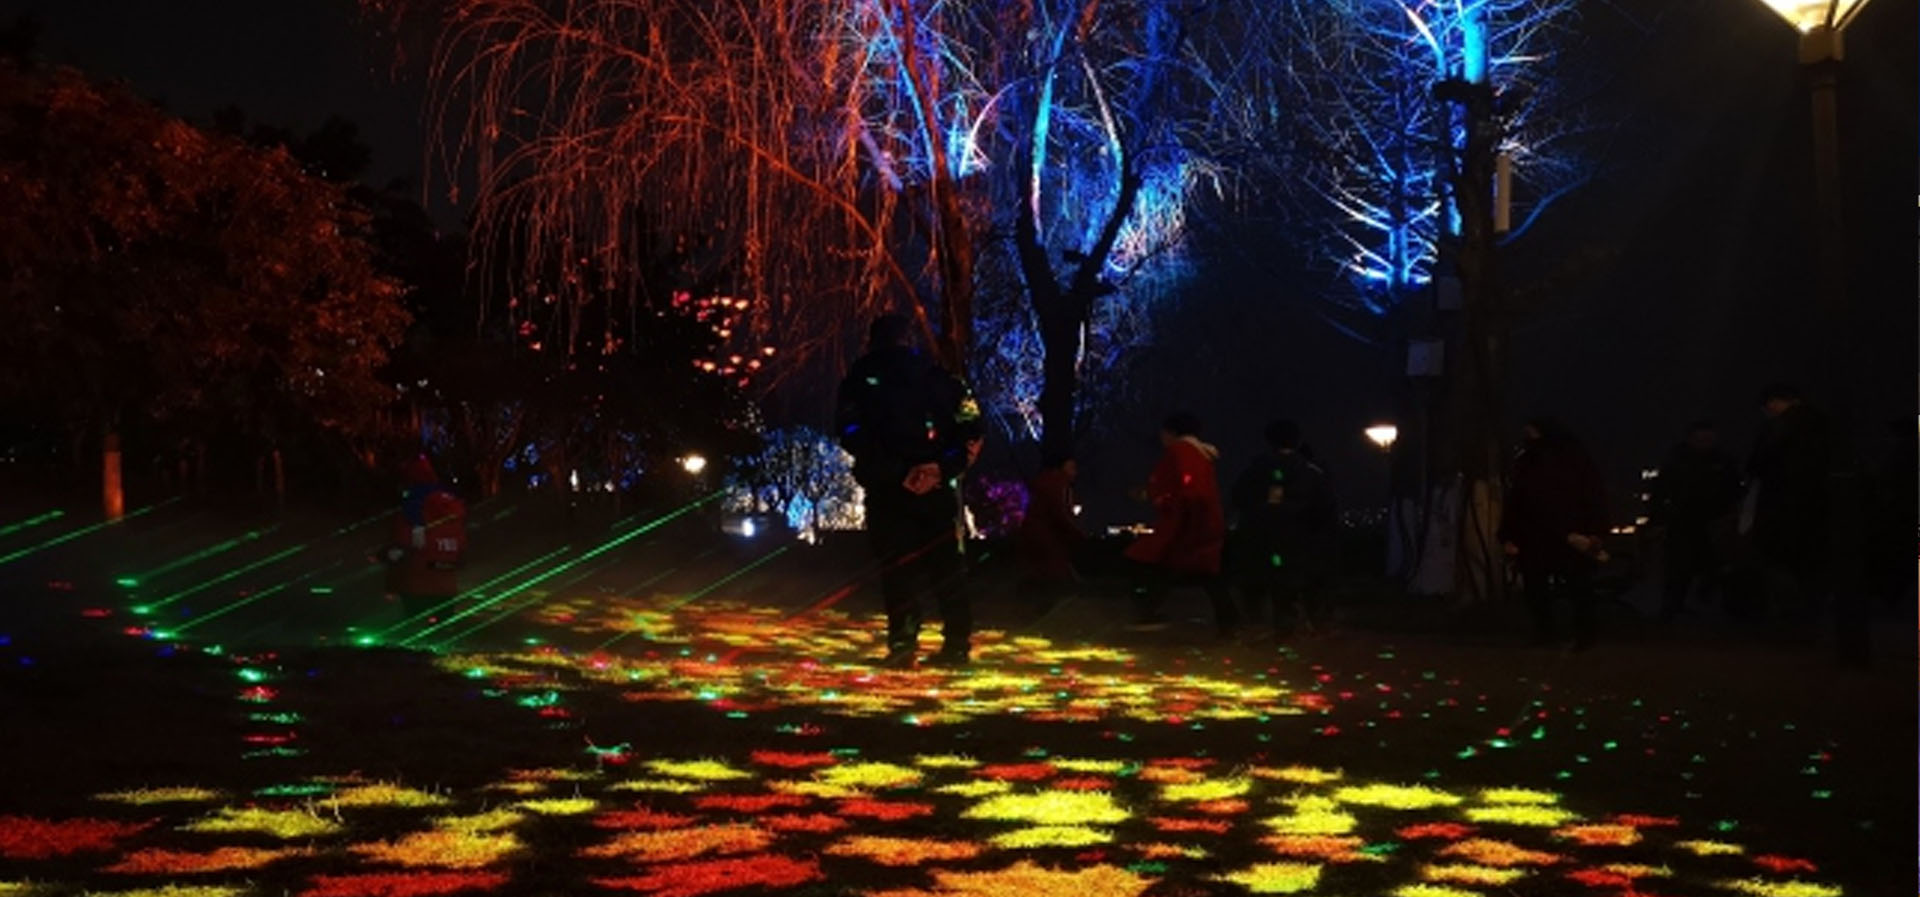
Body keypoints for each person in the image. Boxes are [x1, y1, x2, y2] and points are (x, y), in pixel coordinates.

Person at [835, 314, 983, 669]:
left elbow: (850, 431)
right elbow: (972, 426)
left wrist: (896, 471)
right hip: (936, 487)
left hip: (887, 488)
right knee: (946, 566)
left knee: (897, 569)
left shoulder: (860, 379)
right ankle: (957, 641)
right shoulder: (942, 378)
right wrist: (941, 468)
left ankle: (903, 642)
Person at [1499, 419, 1608, 650]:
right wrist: (1508, 534)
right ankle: (1552, 631)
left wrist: (1595, 530)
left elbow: (1592, 494)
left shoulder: (1565, 459)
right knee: (1543, 584)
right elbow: (1517, 500)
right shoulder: (1532, 460)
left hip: (1563, 531)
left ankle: (1575, 633)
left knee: (1573, 584)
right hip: (1541, 532)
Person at [1124, 412, 1237, 636]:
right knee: (1205, 575)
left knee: (1148, 564)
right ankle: (1229, 622)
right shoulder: (1200, 454)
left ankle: (1148, 610)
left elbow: (1186, 489)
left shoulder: (1180, 452)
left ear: (1171, 432)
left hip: (1185, 522)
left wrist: (1160, 499)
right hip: (1200, 522)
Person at [1742, 384, 1833, 644]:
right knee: (1810, 566)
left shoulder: (1780, 428)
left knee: (1774, 560)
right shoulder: (1824, 426)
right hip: (1817, 508)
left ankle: (1792, 617)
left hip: (1781, 506)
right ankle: (1810, 618)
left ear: (1773, 403)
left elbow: (1759, 463)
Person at [1231, 420, 1338, 637]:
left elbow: (1239, 498)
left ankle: (1259, 624)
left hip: (1262, 537)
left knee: (1262, 581)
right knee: (1299, 580)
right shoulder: (1311, 472)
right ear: (1298, 441)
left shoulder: (1254, 470)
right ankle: (1305, 623)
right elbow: (1325, 507)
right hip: (1301, 538)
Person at [1648, 421, 1742, 622]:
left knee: (1715, 565)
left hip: (1713, 521)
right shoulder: (1677, 460)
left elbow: (1734, 490)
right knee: (1678, 566)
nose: (1705, 443)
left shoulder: (1723, 461)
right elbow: (1660, 491)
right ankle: (1673, 606)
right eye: (1701, 438)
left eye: (1708, 439)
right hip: (1682, 520)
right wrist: (1658, 519)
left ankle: (1717, 604)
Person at [382, 455, 468, 618]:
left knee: (415, 626)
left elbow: (399, 550)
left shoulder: (410, 512)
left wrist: (391, 587)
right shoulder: (452, 508)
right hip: (446, 587)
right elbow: (461, 549)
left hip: (417, 586)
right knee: (443, 626)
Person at [1016, 451, 1083, 613]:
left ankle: (1036, 606)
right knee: (1054, 573)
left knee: (1041, 571)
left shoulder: (1045, 482)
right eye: (1072, 467)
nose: (1075, 472)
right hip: (1048, 536)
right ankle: (1048, 607)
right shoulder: (1059, 484)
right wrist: (1075, 532)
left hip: (1035, 534)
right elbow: (1060, 512)